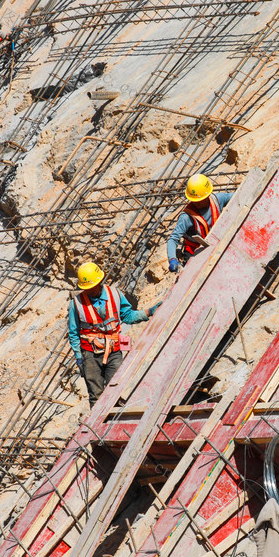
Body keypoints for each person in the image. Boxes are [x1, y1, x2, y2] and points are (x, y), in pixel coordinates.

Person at [67, 262, 160, 404]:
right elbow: (73, 333)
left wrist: (148, 312)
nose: (90, 290)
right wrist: (79, 357)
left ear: (100, 282)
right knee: (96, 396)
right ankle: (99, 425)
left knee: (116, 390)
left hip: (114, 350)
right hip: (90, 354)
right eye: (87, 288)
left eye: (93, 287)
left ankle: (116, 421)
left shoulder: (115, 294)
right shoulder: (76, 303)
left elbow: (128, 315)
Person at [166, 173, 233, 272]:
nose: (196, 203)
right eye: (194, 200)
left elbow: (239, 196)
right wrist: (172, 259)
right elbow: (173, 239)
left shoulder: (218, 199)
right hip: (195, 254)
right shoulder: (186, 217)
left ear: (208, 195)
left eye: (200, 200)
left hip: (218, 243)